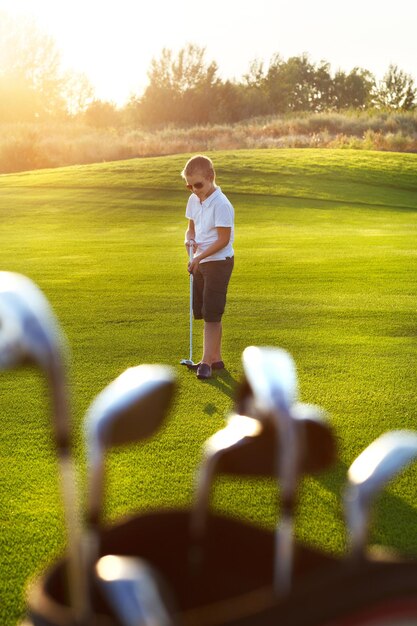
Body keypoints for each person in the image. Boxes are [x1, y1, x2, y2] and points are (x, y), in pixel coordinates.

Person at [182, 155, 235, 380]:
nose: (194, 189)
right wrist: (189, 241)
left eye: (198, 184)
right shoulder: (194, 200)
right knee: (206, 312)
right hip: (200, 261)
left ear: (211, 177)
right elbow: (191, 229)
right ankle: (216, 358)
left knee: (212, 314)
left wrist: (199, 256)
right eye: (189, 185)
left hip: (218, 262)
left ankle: (205, 363)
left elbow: (223, 239)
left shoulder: (222, 204)